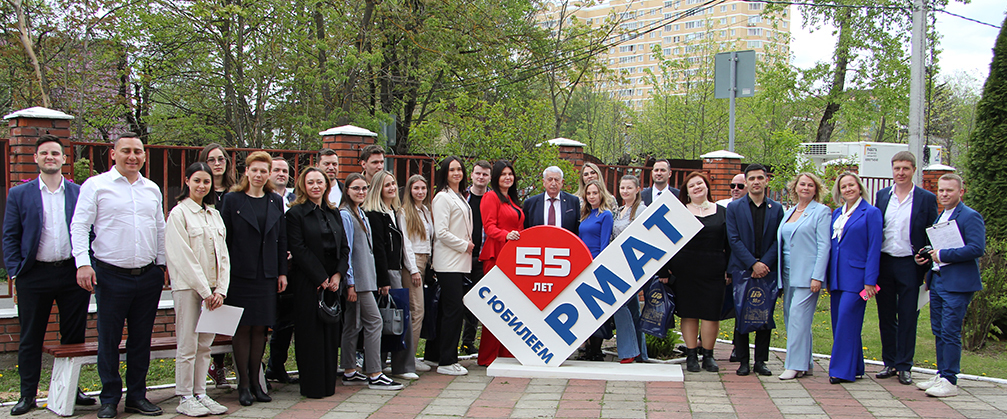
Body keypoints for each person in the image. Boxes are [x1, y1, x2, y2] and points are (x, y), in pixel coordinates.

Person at [71, 133, 166, 418]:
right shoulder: (96, 185)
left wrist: (162, 265)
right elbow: (79, 225)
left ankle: (137, 396)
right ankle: (110, 398)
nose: (132, 156)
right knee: (109, 340)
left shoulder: (152, 189)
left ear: (144, 156)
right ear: (113, 154)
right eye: (126, 151)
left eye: (138, 151)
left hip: (147, 276)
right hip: (110, 275)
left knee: (141, 340)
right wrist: (82, 263)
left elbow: (159, 228)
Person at [3, 135, 95, 415]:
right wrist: (16, 271)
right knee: (30, 337)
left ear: (64, 158)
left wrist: (87, 263)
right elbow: (10, 236)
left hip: (71, 274)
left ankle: (71, 390)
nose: (50, 157)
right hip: (34, 275)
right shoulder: (20, 194)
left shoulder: (79, 193)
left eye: (55, 153)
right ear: (36, 158)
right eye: (44, 153)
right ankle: (27, 395)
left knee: (74, 337)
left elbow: (90, 231)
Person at [218, 151, 288, 405]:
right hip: (240, 274)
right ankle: (244, 385)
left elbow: (281, 239)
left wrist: (282, 272)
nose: (259, 175)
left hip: (266, 275)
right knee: (242, 328)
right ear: (246, 171)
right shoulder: (232, 200)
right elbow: (223, 239)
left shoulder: (274, 200)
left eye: (263, 171)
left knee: (260, 328)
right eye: (254, 170)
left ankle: (258, 384)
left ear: (268, 174)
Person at [165, 162, 230, 416]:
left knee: (205, 345)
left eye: (206, 182)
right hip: (189, 289)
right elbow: (183, 257)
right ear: (187, 181)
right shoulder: (179, 214)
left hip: (213, 292)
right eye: (197, 181)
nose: (202, 186)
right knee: (188, 344)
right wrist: (205, 291)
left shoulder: (214, 214)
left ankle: (201, 392)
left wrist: (220, 290)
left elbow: (223, 255)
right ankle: (185, 396)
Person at [914, 174, 985, 398]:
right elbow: (940, 245)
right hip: (938, 280)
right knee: (938, 330)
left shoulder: (970, 216)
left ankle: (950, 380)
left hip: (958, 283)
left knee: (950, 330)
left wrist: (943, 254)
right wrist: (927, 255)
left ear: (960, 192)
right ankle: (941, 373)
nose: (944, 194)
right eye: (941, 190)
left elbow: (976, 248)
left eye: (949, 190)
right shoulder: (941, 215)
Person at [285, 167, 350, 398]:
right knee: (310, 334)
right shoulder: (295, 214)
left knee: (330, 334)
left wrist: (338, 275)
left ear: (326, 185)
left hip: (333, 284)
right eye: (310, 182)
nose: (315, 186)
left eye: (319, 182)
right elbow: (299, 249)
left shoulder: (333, 212)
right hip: (308, 282)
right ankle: (312, 386)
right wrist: (320, 277)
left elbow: (344, 248)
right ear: (303, 185)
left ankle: (327, 384)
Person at [874, 152, 938, 385]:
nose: (900, 173)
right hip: (884, 262)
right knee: (886, 314)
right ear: (892, 170)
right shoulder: (883, 196)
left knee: (908, 315)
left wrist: (926, 257)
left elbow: (932, 232)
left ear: (913, 170)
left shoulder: (926, 198)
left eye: (905, 168)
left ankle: (904, 365)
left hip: (910, 264)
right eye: (897, 168)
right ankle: (889, 362)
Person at [339, 173, 403, 390]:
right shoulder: (346, 215)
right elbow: (347, 252)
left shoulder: (361, 213)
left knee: (353, 324)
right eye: (356, 188)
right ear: (347, 190)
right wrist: (350, 283)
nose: (361, 192)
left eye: (364, 188)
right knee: (374, 322)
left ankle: (349, 370)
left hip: (367, 278)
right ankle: (375, 373)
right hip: (358, 281)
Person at [667, 172, 729, 373]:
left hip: (714, 270)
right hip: (686, 270)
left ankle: (708, 355)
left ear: (707, 186)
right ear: (687, 191)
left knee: (711, 314)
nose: (697, 187)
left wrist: (730, 270)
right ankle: (692, 355)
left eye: (700, 183)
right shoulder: (680, 212)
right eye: (692, 185)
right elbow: (669, 242)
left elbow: (729, 242)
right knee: (689, 313)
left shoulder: (722, 212)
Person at [726, 163, 783, 377]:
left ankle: (761, 361)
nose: (756, 182)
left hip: (767, 269)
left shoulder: (776, 208)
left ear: (766, 181)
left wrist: (764, 264)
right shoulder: (734, 208)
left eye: (760, 178)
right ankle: (743, 361)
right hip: (743, 269)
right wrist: (753, 264)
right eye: (752, 179)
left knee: (764, 315)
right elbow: (733, 239)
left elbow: (778, 240)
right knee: (742, 313)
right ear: (746, 182)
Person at [826, 172, 882, 384]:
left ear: (859, 187)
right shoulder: (837, 213)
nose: (848, 189)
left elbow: (874, 248)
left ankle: (840, 371)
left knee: (846, 320)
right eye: (844, 186)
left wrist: (870, 281)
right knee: (839, 322)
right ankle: (856, 366)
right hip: (837, 277)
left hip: (858, 279)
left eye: (851, 185)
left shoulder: (871, 213)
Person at [775, 173, 830, 380]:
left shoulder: (821, 211)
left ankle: (794, 365)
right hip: (787, 272)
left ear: (816, 190)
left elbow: (824, 245)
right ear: (795, 187)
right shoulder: (789, 212)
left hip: (808, 275)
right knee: (792, 318)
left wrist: (818, 276)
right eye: (802, 184)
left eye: (810, 185)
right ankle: (806, 363)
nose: (805, 188)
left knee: (798, 317)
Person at [365, 170, 419, 380]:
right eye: (387, 185)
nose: (392, 188)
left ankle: (397, 365)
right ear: (378, 188)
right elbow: (378, 249)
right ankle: (393, 366)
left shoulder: (395, 212)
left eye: (393, 184)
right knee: (391, 318)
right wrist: (383, 279)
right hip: (386, 272)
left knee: (395, 318)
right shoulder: (374, 214)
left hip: (397, 270)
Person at [425, 156, 473, 376]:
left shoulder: (460, 196)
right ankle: (447, 361)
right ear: (444, 173)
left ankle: (435, 356)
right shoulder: (442, 197)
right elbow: (441, 232)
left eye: (459, 169)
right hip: (448, 262)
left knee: (447, 310)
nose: (456, 173)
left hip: (459, 262)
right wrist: (464, 245)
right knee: (454, 310)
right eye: (452, 170)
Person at [476, 160, 525, 366]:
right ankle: (487, 356)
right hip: (496, 255)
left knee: (511, 307)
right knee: (496, 308)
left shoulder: (511, 199)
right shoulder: (490, 197)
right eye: (503, 174)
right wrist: (506, 235)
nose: (507, 177)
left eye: (510, 174)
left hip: (512, 257)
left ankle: (506, 353)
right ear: (496, 177)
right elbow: (489, 227)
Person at [265, 155, 298, 385]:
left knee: (286, 322)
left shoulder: (295, 198)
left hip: (291, 268)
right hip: (267, 267)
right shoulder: (263, 197)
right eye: (276, 170)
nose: (281, 174)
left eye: (285, 171)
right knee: (265, 321)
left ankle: (276, 366)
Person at [399, 175, 434, 372]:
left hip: (425, 261)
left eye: (423, 188)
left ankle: (410, 357)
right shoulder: (405, 212)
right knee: (416, 311)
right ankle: (408, 359)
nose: (420, 192)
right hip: (413, 264)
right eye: (416, 188)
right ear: (409, 190)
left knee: (419, 311)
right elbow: (406, 243)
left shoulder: (426, 211)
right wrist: (413, 270)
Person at [611, 175, 648, 363]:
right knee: (633, 308)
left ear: (637, 189)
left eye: (629, 188)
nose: (625, 191)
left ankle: (628, 352)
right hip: (618, 264)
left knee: (619, 305)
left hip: (632, 264)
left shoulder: (641, 210)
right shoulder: (619, 211)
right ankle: (641, 353)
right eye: (622, 188)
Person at [578, 179, 615, 361]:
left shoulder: (605, 215)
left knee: (597, 308)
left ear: (601, 194)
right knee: (585, 309)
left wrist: (598, 265)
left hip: (595, 264)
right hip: (582, 266)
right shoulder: (585, 215)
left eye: (595, 193)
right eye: (589, 193)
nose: (592, 196)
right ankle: (588, 348)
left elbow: (604, 243)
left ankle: (596, 350)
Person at [461, 160, 491, 355]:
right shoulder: (462, 197)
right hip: (462, 255)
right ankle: (456, 343)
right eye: (478, 173)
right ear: (471, 175)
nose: (481, 177)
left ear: (489, 177)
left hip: (483, 256)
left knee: (479, 300)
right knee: (459, 299)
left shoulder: (493, 199)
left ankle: (468, 342)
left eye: (485, 174)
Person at [523, 166, 580, 234]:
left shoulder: (573, 201)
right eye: (550, 179)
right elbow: (526, 230)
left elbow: (577, 228)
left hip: (565, 240)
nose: (553, 183)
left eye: (556, 180)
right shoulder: (531, 203)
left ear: (562, 182)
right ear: (544, 182)